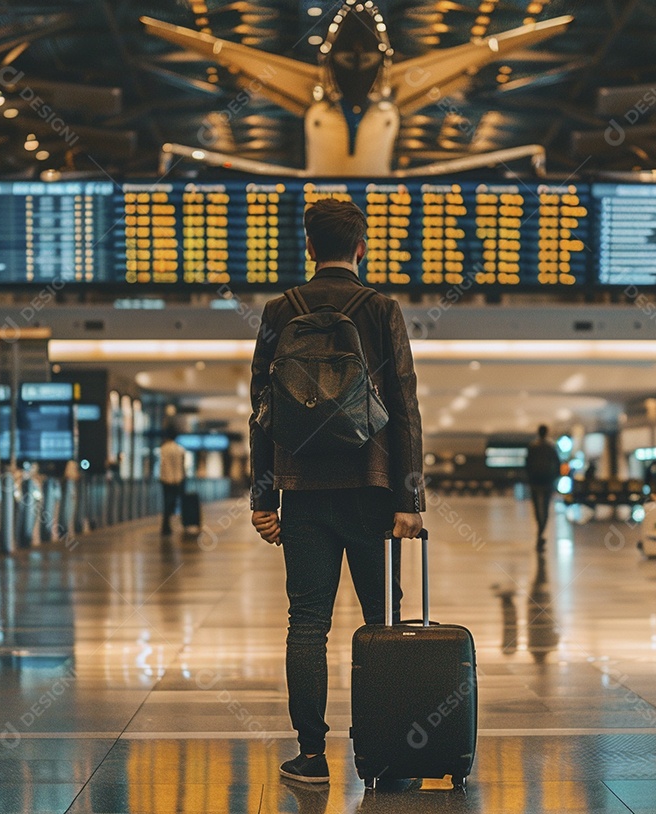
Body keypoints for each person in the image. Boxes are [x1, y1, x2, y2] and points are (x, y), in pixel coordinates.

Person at [249, 198, 425, 785]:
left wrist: (263, 497)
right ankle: (388, 751)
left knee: (307, 624)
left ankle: (312, 757)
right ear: (361, 247)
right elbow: (403, 407)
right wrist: (409, 499)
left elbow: (261, 411)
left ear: (307, 248)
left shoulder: (280, 309)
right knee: (382, 622)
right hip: (373, 491)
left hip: (302, 492)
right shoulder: (381, 308)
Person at [526, 424, 560, 551]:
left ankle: (539, 532)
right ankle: (541, 533)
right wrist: (554, 479)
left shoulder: (532, 447)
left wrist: (529, 479)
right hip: (547, 482)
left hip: (535, 482)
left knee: (536, 508)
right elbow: (557, 464)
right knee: (545, 508)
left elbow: (527, 465)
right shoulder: (551, 447)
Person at [159, 427, 186, 536]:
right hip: (178, 480)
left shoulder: (163, 448)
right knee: (176, 502)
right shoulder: (180, 449)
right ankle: (179, 523)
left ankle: (165, 525)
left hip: (166, 480)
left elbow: (163, 465)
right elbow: (182, 466)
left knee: (166, 502)